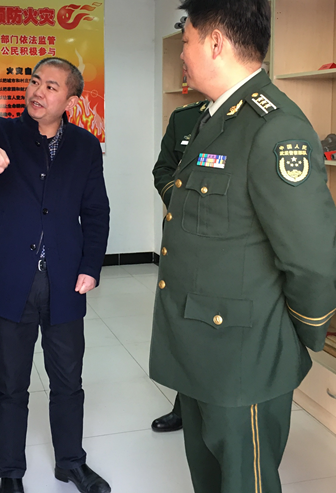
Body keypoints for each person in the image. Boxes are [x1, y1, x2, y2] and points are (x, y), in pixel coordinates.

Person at [148, 0, 336, 493]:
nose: (183, 55)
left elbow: (313, 259)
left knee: (244, 481)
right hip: (203, 342)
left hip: (244, 352)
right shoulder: (216, 118)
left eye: (187, 41)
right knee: (209, 476)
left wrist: (296, 335)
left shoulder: (273, 127)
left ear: (216, 43)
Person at [0, 57, 111, 493]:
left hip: (64, 279)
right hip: (10, 279)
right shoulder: (1, 131)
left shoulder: (85, 145)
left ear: (71, 100)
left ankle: (71, 463)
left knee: (68, 379)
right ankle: (11, 473)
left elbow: (96, 210)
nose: (38, 92)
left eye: (52, 87)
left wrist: (91, 266)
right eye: (36, 82)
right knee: (11, 382)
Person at [150, 98, 208, 433]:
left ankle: (216, 409)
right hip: (183, 236)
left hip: (232, 245)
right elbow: (163, 169)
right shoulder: (185, 118)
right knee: (186, 323)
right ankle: (184, 406)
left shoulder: (253, 115)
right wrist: (183, 203)